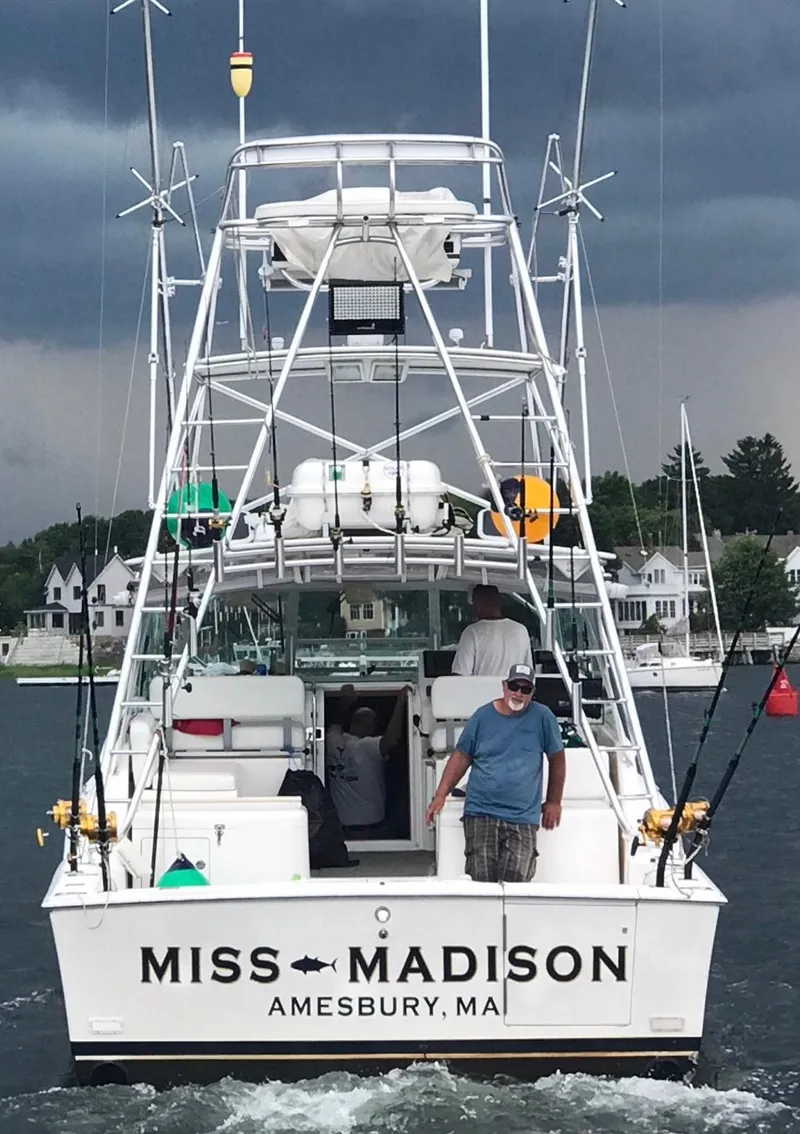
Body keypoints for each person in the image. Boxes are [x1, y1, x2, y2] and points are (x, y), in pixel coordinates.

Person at [425, 663, 565, 883]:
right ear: (504, 686)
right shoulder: (482, 716)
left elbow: (557, 759)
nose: (518, 692)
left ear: (532, 694)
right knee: (481, 882)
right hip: (481, 812)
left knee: (517, 881)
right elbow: (461, 757)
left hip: (522, 817)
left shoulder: (543, 717)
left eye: (525, 689)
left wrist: (554, 801)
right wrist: (440, 795)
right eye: (514, 686)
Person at [325, 686, 410, 829]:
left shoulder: (331, 741)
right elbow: (392, 739)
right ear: (371, 727)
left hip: (341, 824)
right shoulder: (367, 747)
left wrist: (345, 702)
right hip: (371, 823)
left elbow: (335, 723)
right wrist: (401, 703)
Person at [451, 584, 533, 676]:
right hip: (512, 690)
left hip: (482, 690)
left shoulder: (472, 632)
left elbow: (460, 675)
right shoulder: (521, 630)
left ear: (478, 605)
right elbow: (527, 672)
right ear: (499, 603)